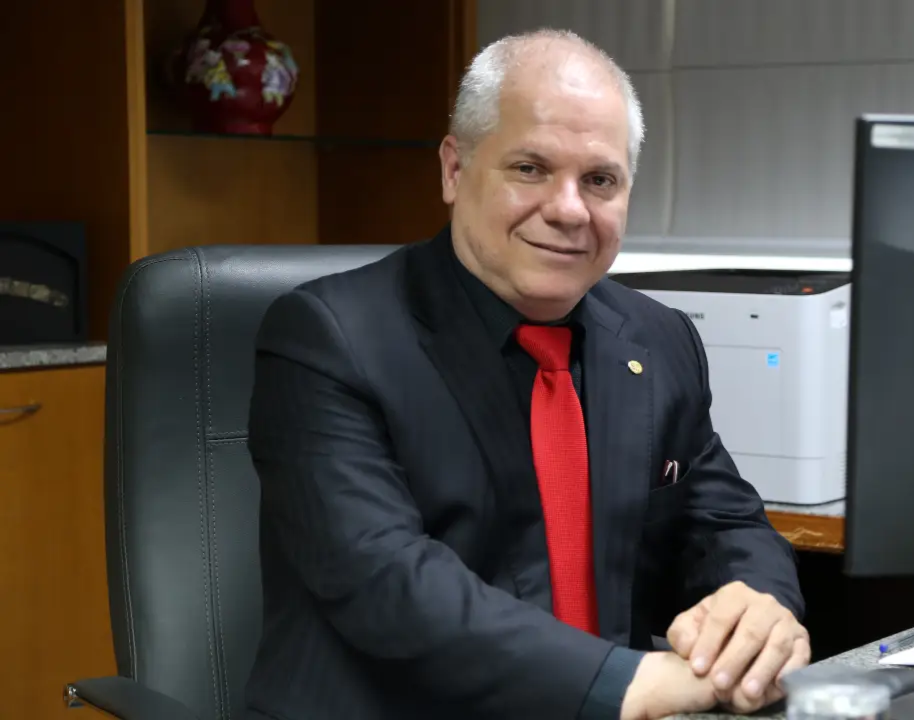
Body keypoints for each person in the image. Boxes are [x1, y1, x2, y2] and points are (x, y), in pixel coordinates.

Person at [244, 28, 809, 720]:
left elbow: (725, 522)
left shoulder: (658, 339)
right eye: (531, 168)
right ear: (454, 170)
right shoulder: (327, 337)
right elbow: (386, 581)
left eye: (599, 180)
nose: (569, 209)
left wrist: (760, 610)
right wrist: (626, 685)